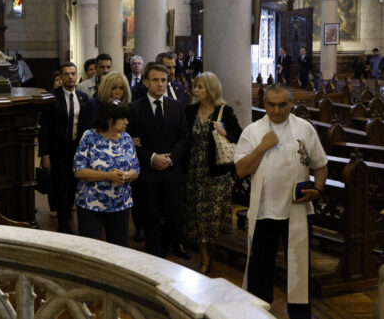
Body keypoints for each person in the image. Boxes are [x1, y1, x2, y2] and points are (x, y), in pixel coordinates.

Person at [234, 82, 327, 319]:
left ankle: (300, 316)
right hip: (264, 211)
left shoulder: (304, 128)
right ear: (263, 103)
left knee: (298, 273)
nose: (275, 110)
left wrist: (317, 188)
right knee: (259, 272)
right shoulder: (253, 131)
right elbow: (241, 170)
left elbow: (320, 164)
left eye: (281, 105)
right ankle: (259, 314)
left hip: (297, 211)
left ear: (291, 103)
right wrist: (262, 148)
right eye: (270, 105)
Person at [127, 64, 189, 258]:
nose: (160, 84)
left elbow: (184, 137)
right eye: (155, 80)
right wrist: (152, 157)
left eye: (163, 80)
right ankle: (155, 256)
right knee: (151, 218)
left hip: (171, 172)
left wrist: (170, 158)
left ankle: (166, 252)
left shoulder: (176, 107)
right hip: (147, 173)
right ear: (146, 82)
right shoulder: (134, 108)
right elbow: (130, 142)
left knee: (173, 218)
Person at [185, 72, 242, 274]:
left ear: (211, 89)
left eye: (200, 87)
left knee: (213, 219)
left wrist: (224, 131)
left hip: (217, 174)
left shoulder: (224, 111)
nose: (196, 90)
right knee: (199, 217)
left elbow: (240, 136)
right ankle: (205, 258)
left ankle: (211, 252)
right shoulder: (190, 111)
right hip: (194, 173)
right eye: (195, 86)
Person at [73, 99, 140, 246]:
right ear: (110, 120)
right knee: (91, 251)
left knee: (119, 250)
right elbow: (79, 171)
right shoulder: (89, 136)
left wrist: (126, 175)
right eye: (122, 118)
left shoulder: (127, 138)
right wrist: (107, 176)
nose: (127, 122)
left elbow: (136, 169)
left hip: (120, 205)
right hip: (90, 204)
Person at [38, 62, 91, 234]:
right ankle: (63, 223)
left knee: (74, 185)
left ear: (77, 76)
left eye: (73, 74)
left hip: (77, 150)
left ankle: (69, 217)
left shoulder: (83, 97)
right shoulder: (51, 97)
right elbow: (43, 128)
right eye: (66, 74)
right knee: (61, 187)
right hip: (58, 150)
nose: (70, 77)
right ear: (60, 77)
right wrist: (44, 155)